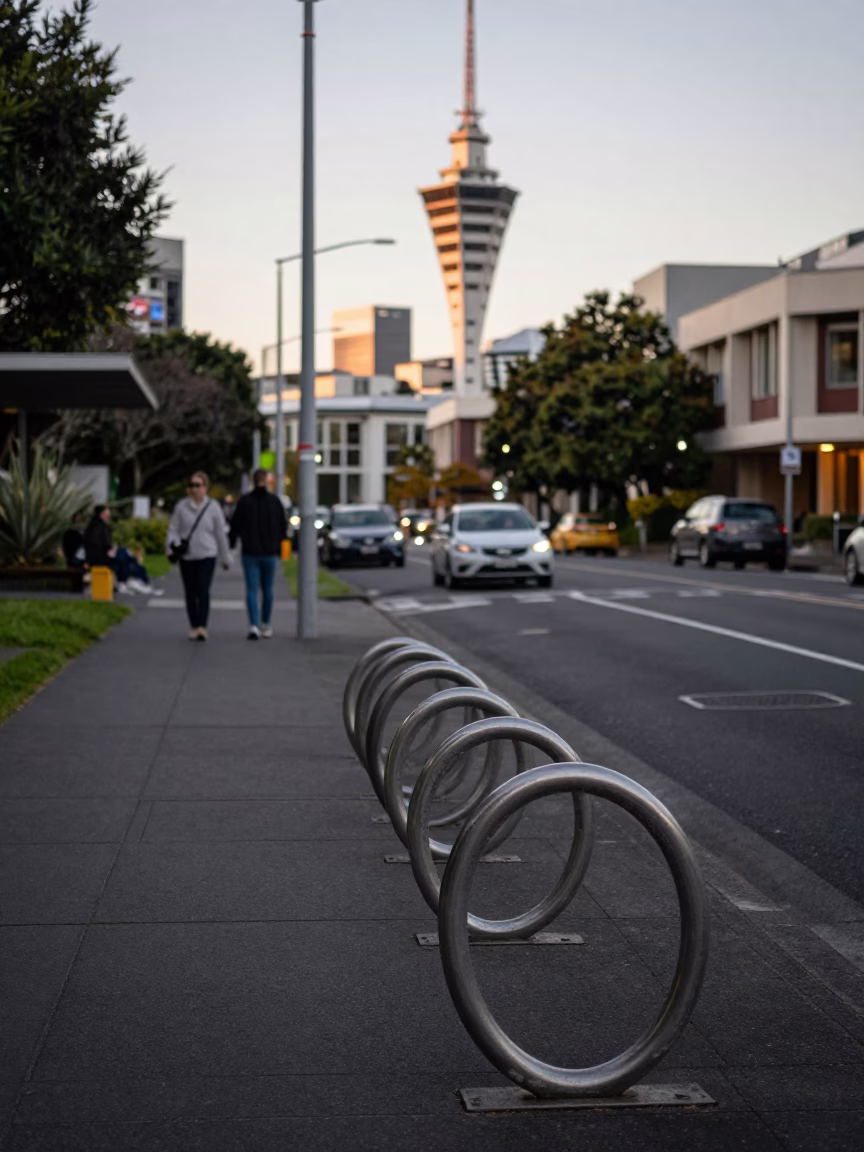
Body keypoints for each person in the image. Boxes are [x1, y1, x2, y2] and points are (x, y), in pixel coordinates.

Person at [167, 472, 230, 641]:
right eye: (192, 485)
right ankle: (193, 626)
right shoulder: (182, 506)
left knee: (202, 590)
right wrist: (170, 548)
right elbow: (173, 529)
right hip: (187, 556)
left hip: (207, 554)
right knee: (190, 592)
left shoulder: (213, 507)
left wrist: (226, 558)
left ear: (205, 487)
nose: (195, 489)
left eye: (198, 485)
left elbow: (220, 534)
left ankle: (202, 626)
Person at [229, 468, 287, 639]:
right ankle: (266, 624)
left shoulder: (245, 502)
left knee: (252, 589)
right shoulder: (275, 502)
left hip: (250, 552)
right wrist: (280, 547)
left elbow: (235, 526)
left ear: (253, 481)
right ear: (267, 481)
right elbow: (283, 527)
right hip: (270, 552)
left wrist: (232, 544)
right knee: (268, 588)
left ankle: (253, 624)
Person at [82, 505, 161, 595]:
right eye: (107, 512)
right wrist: (110, 551)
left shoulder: (95, 526)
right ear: (103, 514)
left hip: (100, 555)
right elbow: (99, 546)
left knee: (126, 555)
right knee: (126, 555)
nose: (109, 515)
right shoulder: (99, 527)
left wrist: (111, 550)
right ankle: (132, 580)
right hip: (101, 557)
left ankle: (130, 580)